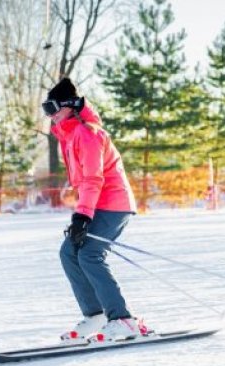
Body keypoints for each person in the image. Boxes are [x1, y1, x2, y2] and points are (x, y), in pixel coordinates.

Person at [44, 77, 148, 342]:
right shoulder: (70, 136)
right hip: (97, 204)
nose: (51, 115)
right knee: (69, 252)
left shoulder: (87, 133)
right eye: (47, 109)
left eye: (53, 107)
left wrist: (82, 216)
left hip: (114, 204)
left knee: (90, 254)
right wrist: (82, 213)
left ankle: (123, 319)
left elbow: (93, 179)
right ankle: (96, 314)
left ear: (70, 106)